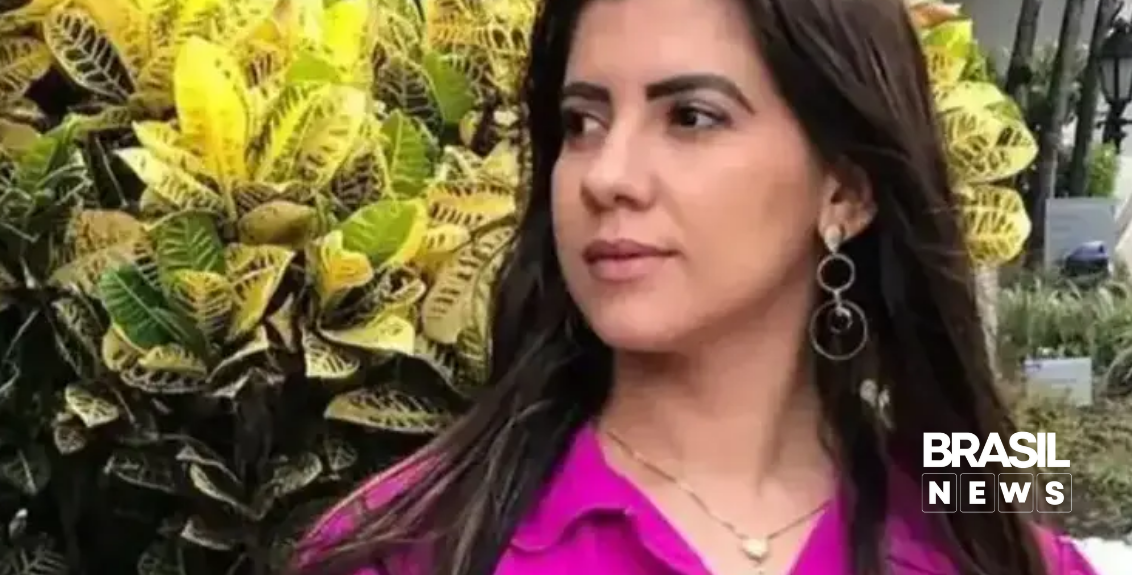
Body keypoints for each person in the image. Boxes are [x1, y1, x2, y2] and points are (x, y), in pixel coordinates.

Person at [288, 0, 1102, 573]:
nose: (607, 175)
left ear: (846, 190)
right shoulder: (410, 547)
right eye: (582, 122)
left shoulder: (987, 551)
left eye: (691, 117)